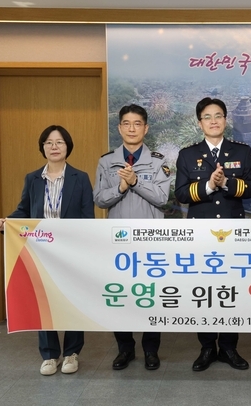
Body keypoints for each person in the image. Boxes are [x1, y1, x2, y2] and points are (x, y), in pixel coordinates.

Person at [0, 125, 94, 376]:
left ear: (67, 147)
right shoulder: (33, 179)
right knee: (43, 301)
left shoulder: (80, 178)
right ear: (43, 148)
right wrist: (8, 222)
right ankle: (49, 355)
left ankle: (72, 353)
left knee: (72, 300)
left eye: (59, 142)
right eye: (49, 142)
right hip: (41, 251)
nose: (54, 147)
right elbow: (24, 210)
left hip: (71, 251)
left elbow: (88, 217)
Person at [174, 97, 251, 371]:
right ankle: (207, 347)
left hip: (233, 233)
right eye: (207, 117)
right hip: (201, 234)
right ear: (200, 123)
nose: (213, 121)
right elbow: (182, 194)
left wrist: (227, 183)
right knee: (205, 290)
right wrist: (209, 185)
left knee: (232, 289)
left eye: (218, 115)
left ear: (225, 120)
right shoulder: (187, 154)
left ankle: (230, 347)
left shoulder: (241, 151)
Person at [94, 104, 171, 371]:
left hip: (151, 241)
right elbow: (99, 199)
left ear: (145, 128)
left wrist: (136, 182)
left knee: (150, 295)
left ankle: (151, 350)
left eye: (137, 124)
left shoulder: (158, 161)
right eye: (126, 123)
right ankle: (124, 349)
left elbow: (162, 198)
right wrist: (121, 186)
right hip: (118, 242)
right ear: (119, 128)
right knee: (121, 295)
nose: (131, 128)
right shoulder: (106, 162)